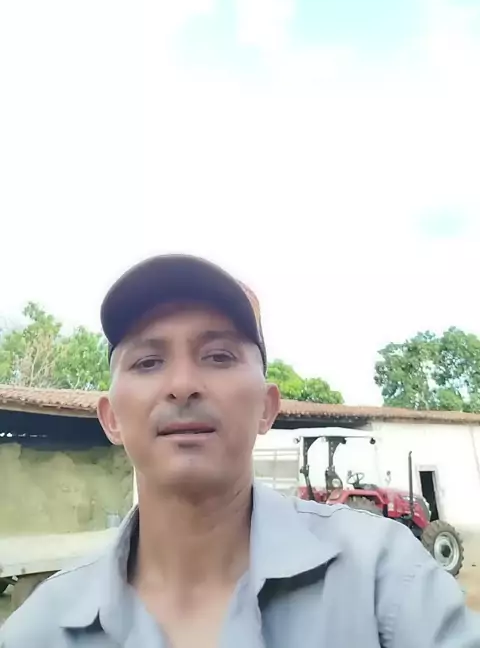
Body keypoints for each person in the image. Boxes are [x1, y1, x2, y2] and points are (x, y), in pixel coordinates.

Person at [1, 254, 479, 648]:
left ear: (267, 408)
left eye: (219, 356)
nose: (183, 384)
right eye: (148, 362)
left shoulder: (384, 579)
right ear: (111, 418)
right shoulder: (39, 630)